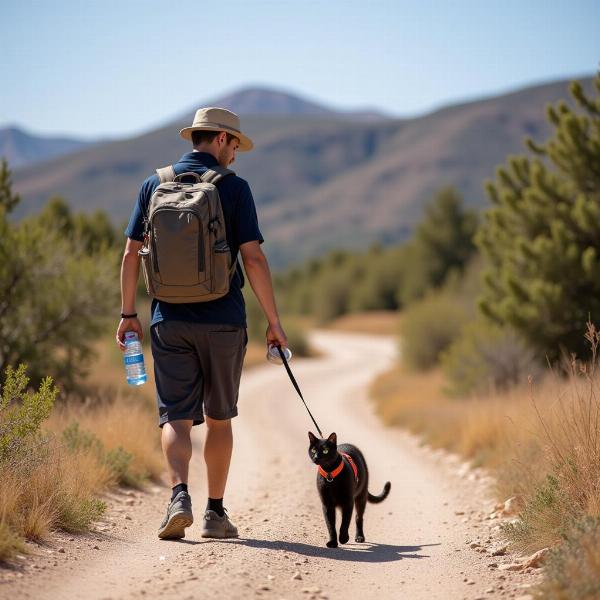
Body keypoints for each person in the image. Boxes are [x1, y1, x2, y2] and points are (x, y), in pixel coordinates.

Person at [116, 107, 287, 539]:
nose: (236, 155)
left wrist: (128, 315)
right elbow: (253, 258)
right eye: (235, 146)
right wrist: (274, 323)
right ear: (222, 140)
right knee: (219, 418)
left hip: (167, 319)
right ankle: (214, 513)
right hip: (224, 321)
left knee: (175, 417)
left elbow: (131, 254)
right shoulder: (235, 188)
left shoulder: (153, 184)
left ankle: (178, 497)